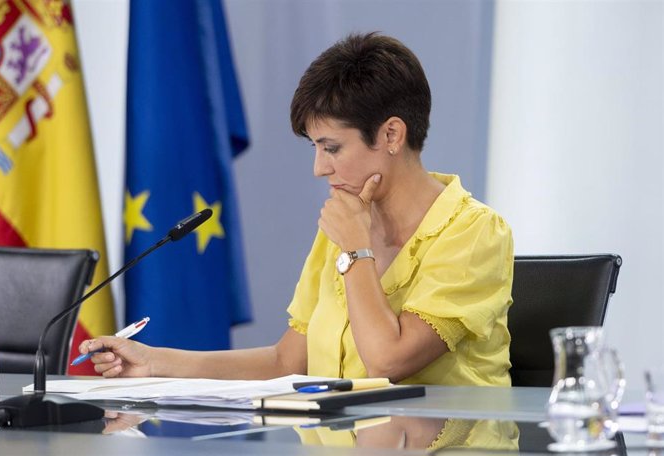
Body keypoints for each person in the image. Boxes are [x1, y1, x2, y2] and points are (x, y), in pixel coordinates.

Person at [79, 32, 514, 386]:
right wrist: (155, 362)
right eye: (315, 148)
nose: (319, 169)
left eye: (332, 148)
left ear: (391, 135)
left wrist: (357, 250)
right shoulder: (346, 223)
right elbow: (288, 358)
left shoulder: (475, 233)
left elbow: (387, 362)